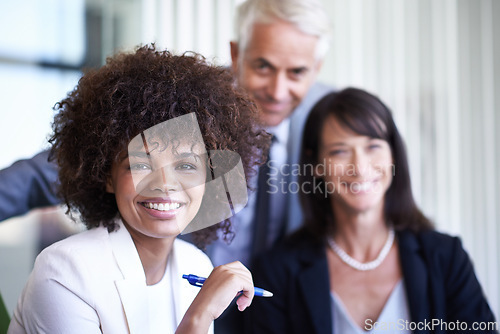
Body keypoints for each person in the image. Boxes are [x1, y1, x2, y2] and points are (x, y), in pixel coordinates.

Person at [8, 45, 270, 334]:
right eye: (140, 164)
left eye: (186, 166)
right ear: (107, 176)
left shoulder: (195, 263)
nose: (165, 183)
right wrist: (199, 316)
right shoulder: (65, 272)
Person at [247, 88, 498, 334]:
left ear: (393, 155)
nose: (360, 167)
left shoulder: (446, 258)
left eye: (373, 146)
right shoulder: (277, 271)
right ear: (316, 166)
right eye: (340, 151)